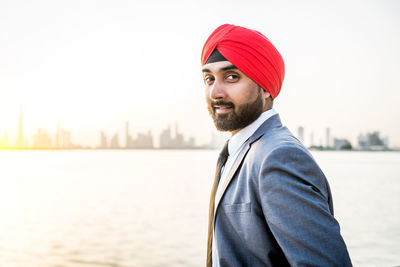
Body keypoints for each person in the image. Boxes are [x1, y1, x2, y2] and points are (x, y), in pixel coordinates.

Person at [201, 24, 352, 267]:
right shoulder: (238, 151)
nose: (215, 92)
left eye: (231, 77)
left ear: (265, 89)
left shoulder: (279, 156)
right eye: (209, 78)